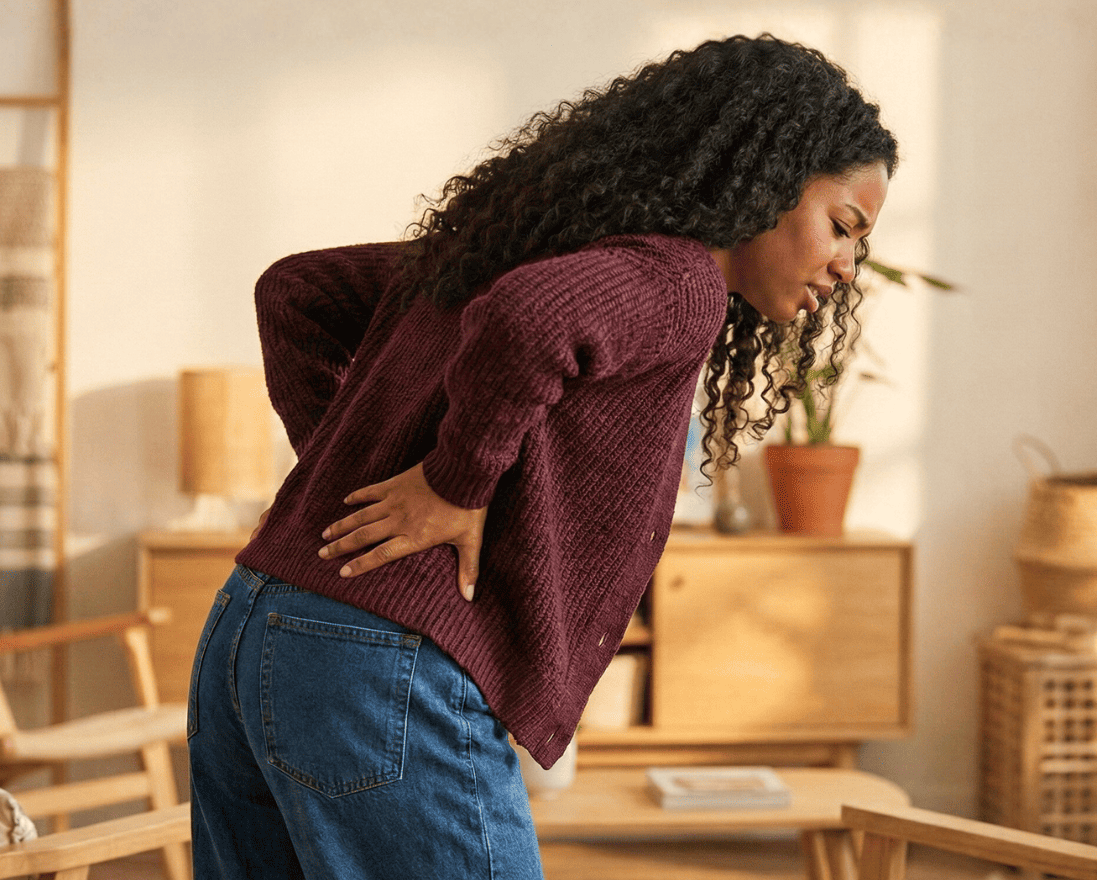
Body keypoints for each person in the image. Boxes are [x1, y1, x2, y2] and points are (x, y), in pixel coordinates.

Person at [187, 33, 897, 879]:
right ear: (767, 180)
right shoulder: (681, 281)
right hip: (379, 661)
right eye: (842, 227)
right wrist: (451, 486)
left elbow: (296, 292)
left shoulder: (500, 255)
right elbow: (531, 320)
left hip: (249, 630)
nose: (847, 265)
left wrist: (354, 481)